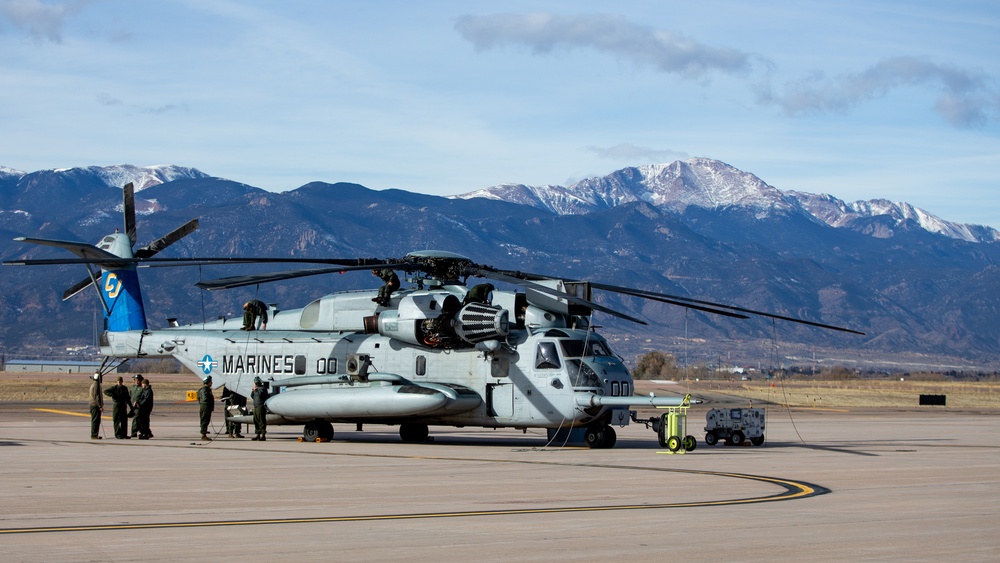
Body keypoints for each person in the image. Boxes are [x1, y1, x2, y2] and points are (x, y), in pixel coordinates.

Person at [251, 377, 269, 441]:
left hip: (260, 406)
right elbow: (252, 396)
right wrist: (253, 391)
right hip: (255, 406)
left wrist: (256, 390)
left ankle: (263, 435)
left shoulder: (263, 389)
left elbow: (261, 395)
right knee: (256, 420)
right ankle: (257, 434)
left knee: (261, 421)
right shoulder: (257, 389)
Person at [197, 375, 215, 441]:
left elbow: (198, 398)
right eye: (210, 382)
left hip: (204, 406)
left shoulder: (203, 390)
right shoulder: (205, 390)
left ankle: (204, 431)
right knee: (205, 420)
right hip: (205, 406)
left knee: (205, 420)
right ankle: (203, 435)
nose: (211, 383)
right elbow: (205, 399)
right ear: (208, 382)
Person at [88, 373, 103, 440]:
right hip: (95, 405)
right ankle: (94, 435)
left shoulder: (94, 385)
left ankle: (95, 434)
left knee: (96, 420)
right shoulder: (96, 386)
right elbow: (96, 396)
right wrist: (100, 406)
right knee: (95, 420)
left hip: (93, 405)